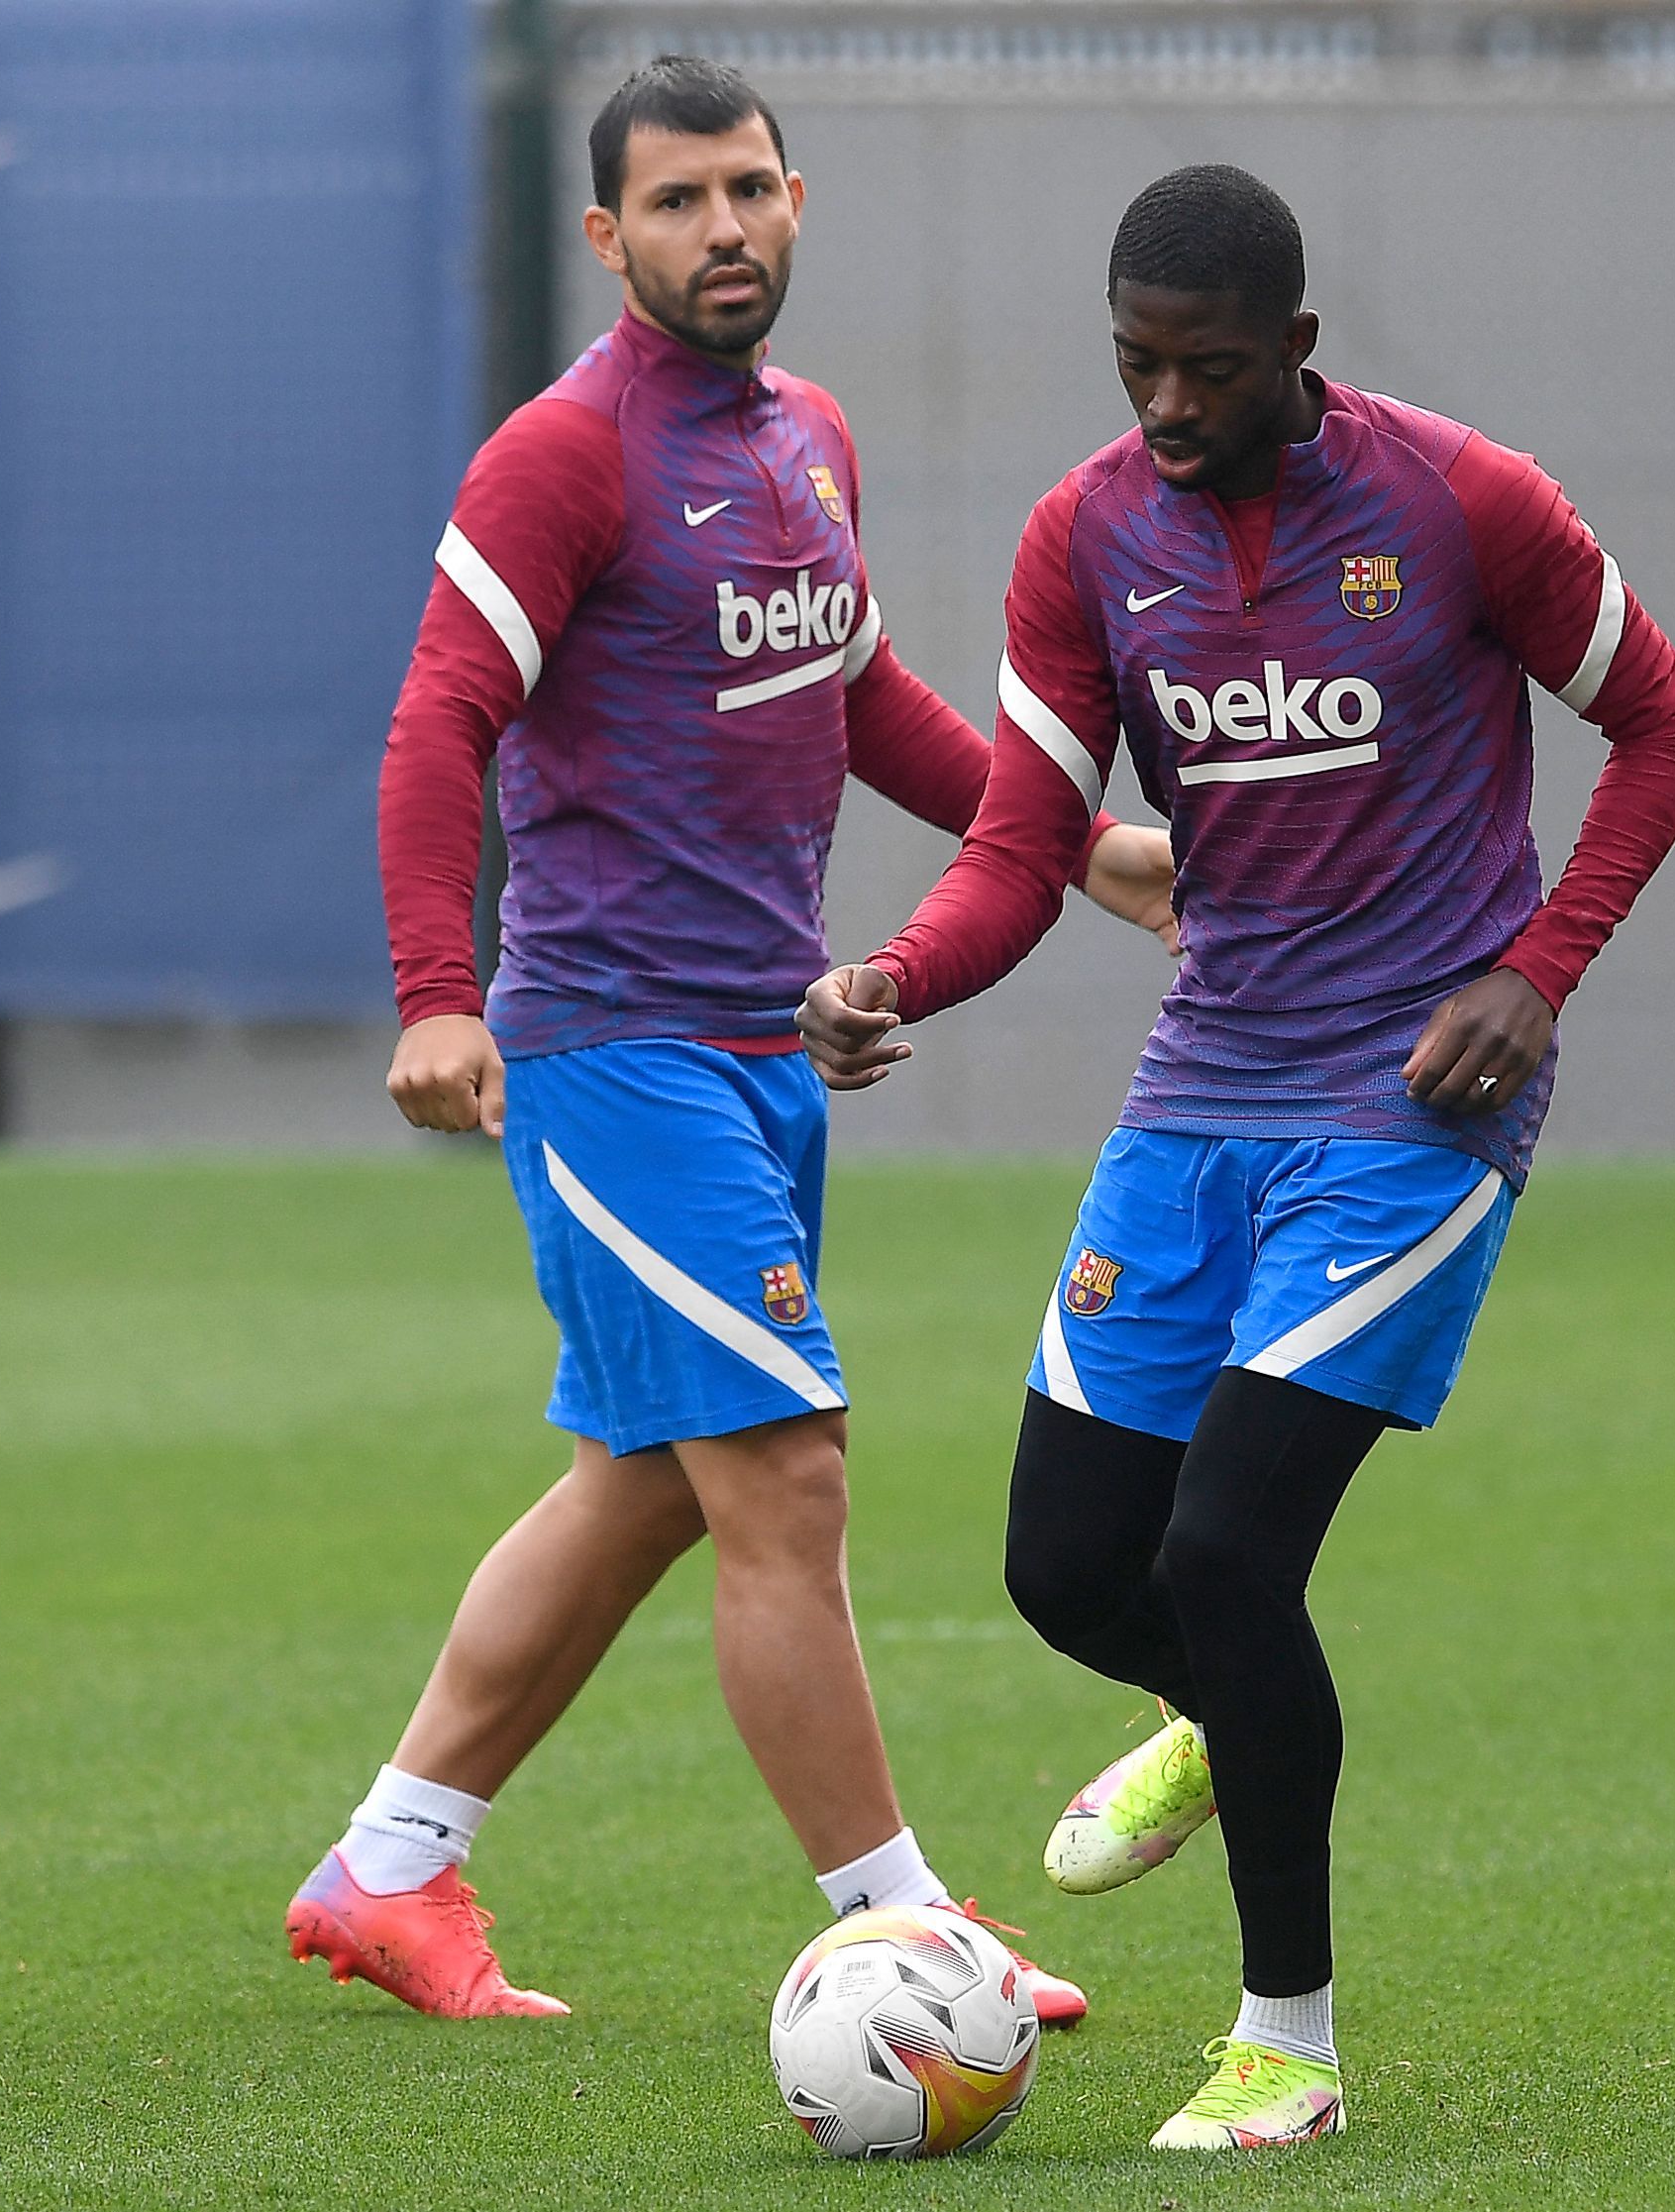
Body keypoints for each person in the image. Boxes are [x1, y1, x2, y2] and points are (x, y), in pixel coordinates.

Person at [798, 163, 1675, 2146]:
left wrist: (1536, 971)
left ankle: (1285, 2047)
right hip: (1200, 1089)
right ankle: (1225, 1711)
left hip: (1411, 1108)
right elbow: (1024, 847)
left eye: (1205, 369)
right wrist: (893, 976)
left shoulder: (1463, 501)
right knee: (1065, 1568)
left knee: (1224, 1551)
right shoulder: (1084, 533)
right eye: (1134, 364)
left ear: (1296, 348)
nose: (1165, 405)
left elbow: (1668, 727)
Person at [286, 55, 1177, 2025]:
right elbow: (439, 719)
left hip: (762, 1056)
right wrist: (436, 988)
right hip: (616, 1053)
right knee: (784, 1473)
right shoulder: (564, 455)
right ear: (606, 236)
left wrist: (1079, 842)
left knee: (645, 1477)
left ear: (796, 201)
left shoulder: (808, 437)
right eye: (678, 202)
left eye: (751, 189)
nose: (724, 229)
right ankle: (910, 1927)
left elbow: (856, 692)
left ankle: (388, 1867)